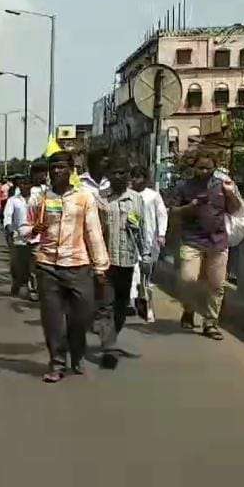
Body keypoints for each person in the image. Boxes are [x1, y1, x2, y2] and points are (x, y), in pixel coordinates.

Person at [20, 151, 109, 383]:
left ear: (71, 170)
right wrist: (33, 231)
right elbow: (26, 228)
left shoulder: (84, 198)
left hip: (79, 265)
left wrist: (100, 268)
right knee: (52, 319)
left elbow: (93, 232)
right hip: (47, 264)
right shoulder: (40, 198)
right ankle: (57, 363)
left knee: (81, 316)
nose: (56, 171)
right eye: (53, 168)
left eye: (61, 167)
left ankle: (77, 352)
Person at [170, 152, 242, 340]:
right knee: (188, 279)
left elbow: (234, 209)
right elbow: (174, 211)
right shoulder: (183, 187)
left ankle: (210, 323)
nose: (203, 171)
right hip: (192, 240)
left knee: (217, 284)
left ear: (214, 168)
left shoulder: (221, 186)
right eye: (200, 167)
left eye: (208, 168)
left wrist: (230, 194)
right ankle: (189, 309)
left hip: (217, 241)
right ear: (193, 167)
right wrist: (190, 207)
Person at [95, 158, 152, 370]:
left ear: (128, 175)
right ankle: (109, 348)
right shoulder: (101, 201)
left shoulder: (136, 200)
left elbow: (141, 229)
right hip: (105, 261)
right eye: (114, 173)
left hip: (127, 261)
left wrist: (145, 256)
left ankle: (111, 335)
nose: (118, 177)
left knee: (120, 307)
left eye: (122, 173)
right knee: (106, 305)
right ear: (108, 176)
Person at [130, 165, 168, 322]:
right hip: (132, 238)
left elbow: (162, 214)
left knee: (146, 272)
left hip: (149, 240)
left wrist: (161, 234)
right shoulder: (128, 195)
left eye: (138, 177)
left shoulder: (153, 196)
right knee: (134, 270)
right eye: (133, 176)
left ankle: (146, 303)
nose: (135, 180)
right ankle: (133, 302)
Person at [4, 176, 35, 298]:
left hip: (35, 236)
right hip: (18, 237)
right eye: (22, 184)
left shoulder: (37, 199)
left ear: (31, 185)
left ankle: (32, 289)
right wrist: (9, 228)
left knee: (33, 265)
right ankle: (17, 282)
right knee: (18, 265)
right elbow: (7, 216)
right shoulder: (13, 200)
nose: (24, 186)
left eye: (27, 183)